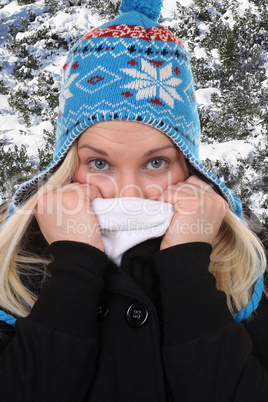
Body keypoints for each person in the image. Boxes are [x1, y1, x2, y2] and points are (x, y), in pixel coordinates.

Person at [0, 0, 267, 400]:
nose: (129, 192)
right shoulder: (11, 264)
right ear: (67, 165)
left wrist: (188, 265)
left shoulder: (249, 265)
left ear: (189, 169)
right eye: (100, 163)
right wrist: (74, 265)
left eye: (156, 162)